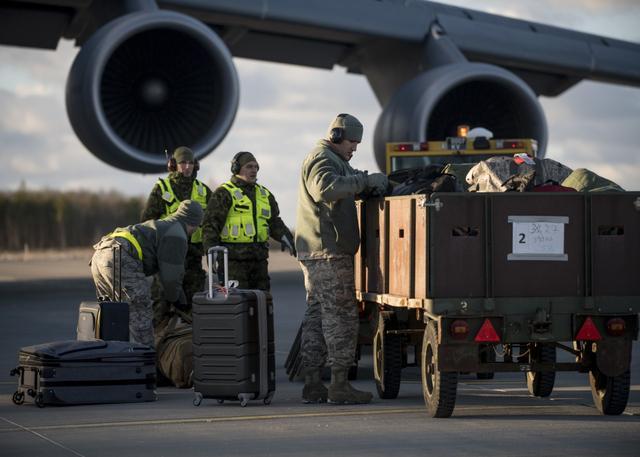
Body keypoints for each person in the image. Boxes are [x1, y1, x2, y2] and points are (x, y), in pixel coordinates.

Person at [295, 113, 388, 404]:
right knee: (341, 318)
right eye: (352, 141)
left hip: (319, 252)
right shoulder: (322, 159)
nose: (355, 148)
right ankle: (338, 385)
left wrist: (360, 181)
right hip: (328, 254)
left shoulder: (333, 161)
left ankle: (312, 384)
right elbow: (325, 189)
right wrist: (364, 181)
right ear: (336, 137)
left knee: (317, 317)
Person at [91, 200, 204, 347]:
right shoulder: (177, 235)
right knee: (140, 313)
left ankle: (109, 357)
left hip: (101, 254)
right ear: (195, 223)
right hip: (121, 257)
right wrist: (178, 300)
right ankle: (147, 362)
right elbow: (171, 277)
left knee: (112, 315)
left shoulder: (164, 224)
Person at [202, 151, 295, 290]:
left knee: (262, 303)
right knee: (237, 306)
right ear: (236, 169)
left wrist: (285, 236)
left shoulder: (265, 194)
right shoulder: (224, 193)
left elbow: (274, 221)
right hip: (232, 263)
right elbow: (210, 225)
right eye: (249, 166)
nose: (254, 170)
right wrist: (211, 251)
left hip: (259, 262)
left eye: (256, 167)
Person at [141, 146, 212, 307]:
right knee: (162, 301)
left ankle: (187, 333)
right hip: (167, 255)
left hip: (193, 257)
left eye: (190, 163)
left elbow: (212, 222)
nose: (187, 167)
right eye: (182, 163)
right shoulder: (162, 189)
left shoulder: (203, 190)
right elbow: (148, 220)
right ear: (173, 164)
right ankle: (160, 331)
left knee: (194, 304)